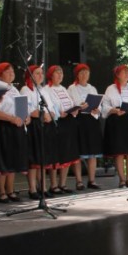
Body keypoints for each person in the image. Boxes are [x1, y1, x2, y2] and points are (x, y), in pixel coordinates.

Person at [0, 62, 29, 203]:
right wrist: (11, 119)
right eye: (8, 71)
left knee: (12, 159)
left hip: (16, 127)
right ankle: (2, 192)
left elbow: (21, 107)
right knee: (3, 160)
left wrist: (25, 116)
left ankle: (10, 190)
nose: (12, 73)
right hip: (2, 126)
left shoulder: (13, 89)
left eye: (13, 71)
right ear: (0, 74)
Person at [102, 65, 128, 188]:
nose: (127, 74)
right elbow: (105, 106)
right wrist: (114, 110)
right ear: (117, 74)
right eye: (124, 72)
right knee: (119, 151)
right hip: (117, 122)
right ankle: (122, 179)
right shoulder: (111, 89)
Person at [22, 65, 57, 199]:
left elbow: (51, 107)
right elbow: (28, 109)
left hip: (45, 125)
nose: (40, 76)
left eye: (41, 73)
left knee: (42, 159)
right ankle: (32, 188)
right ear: (30, 75)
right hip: (33, 126)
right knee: (34, 159)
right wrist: (43, 115)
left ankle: (43, 187)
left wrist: (51, 114)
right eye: (37, 73)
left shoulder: (43, 90)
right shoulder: (26, 89)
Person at [45, 65, 81, 193]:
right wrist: (58, 112)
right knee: (56, 154)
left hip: (68, 122)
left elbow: (70, 103)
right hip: (57, 123)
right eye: (57, 73)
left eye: (61, 73)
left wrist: (74, 109)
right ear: (51, 75)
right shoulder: (47, 89)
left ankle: (63, 183)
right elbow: (49, 106)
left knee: (68, 152)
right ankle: (53, 184)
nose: (60, 75)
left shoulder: (63, 89)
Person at [67, 63, 103, 190]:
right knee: (78, 152)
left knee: (92, 152)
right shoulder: (72, 88)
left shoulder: (92, 88)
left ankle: (92, 180)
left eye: (86, 72)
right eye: (81, 72)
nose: (84, 75)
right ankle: (79, 181)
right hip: (79, 121)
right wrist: (79, 105)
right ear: (77, 75)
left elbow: (99, 104)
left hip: (92, 121)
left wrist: (97, 109)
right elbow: (69, 104)